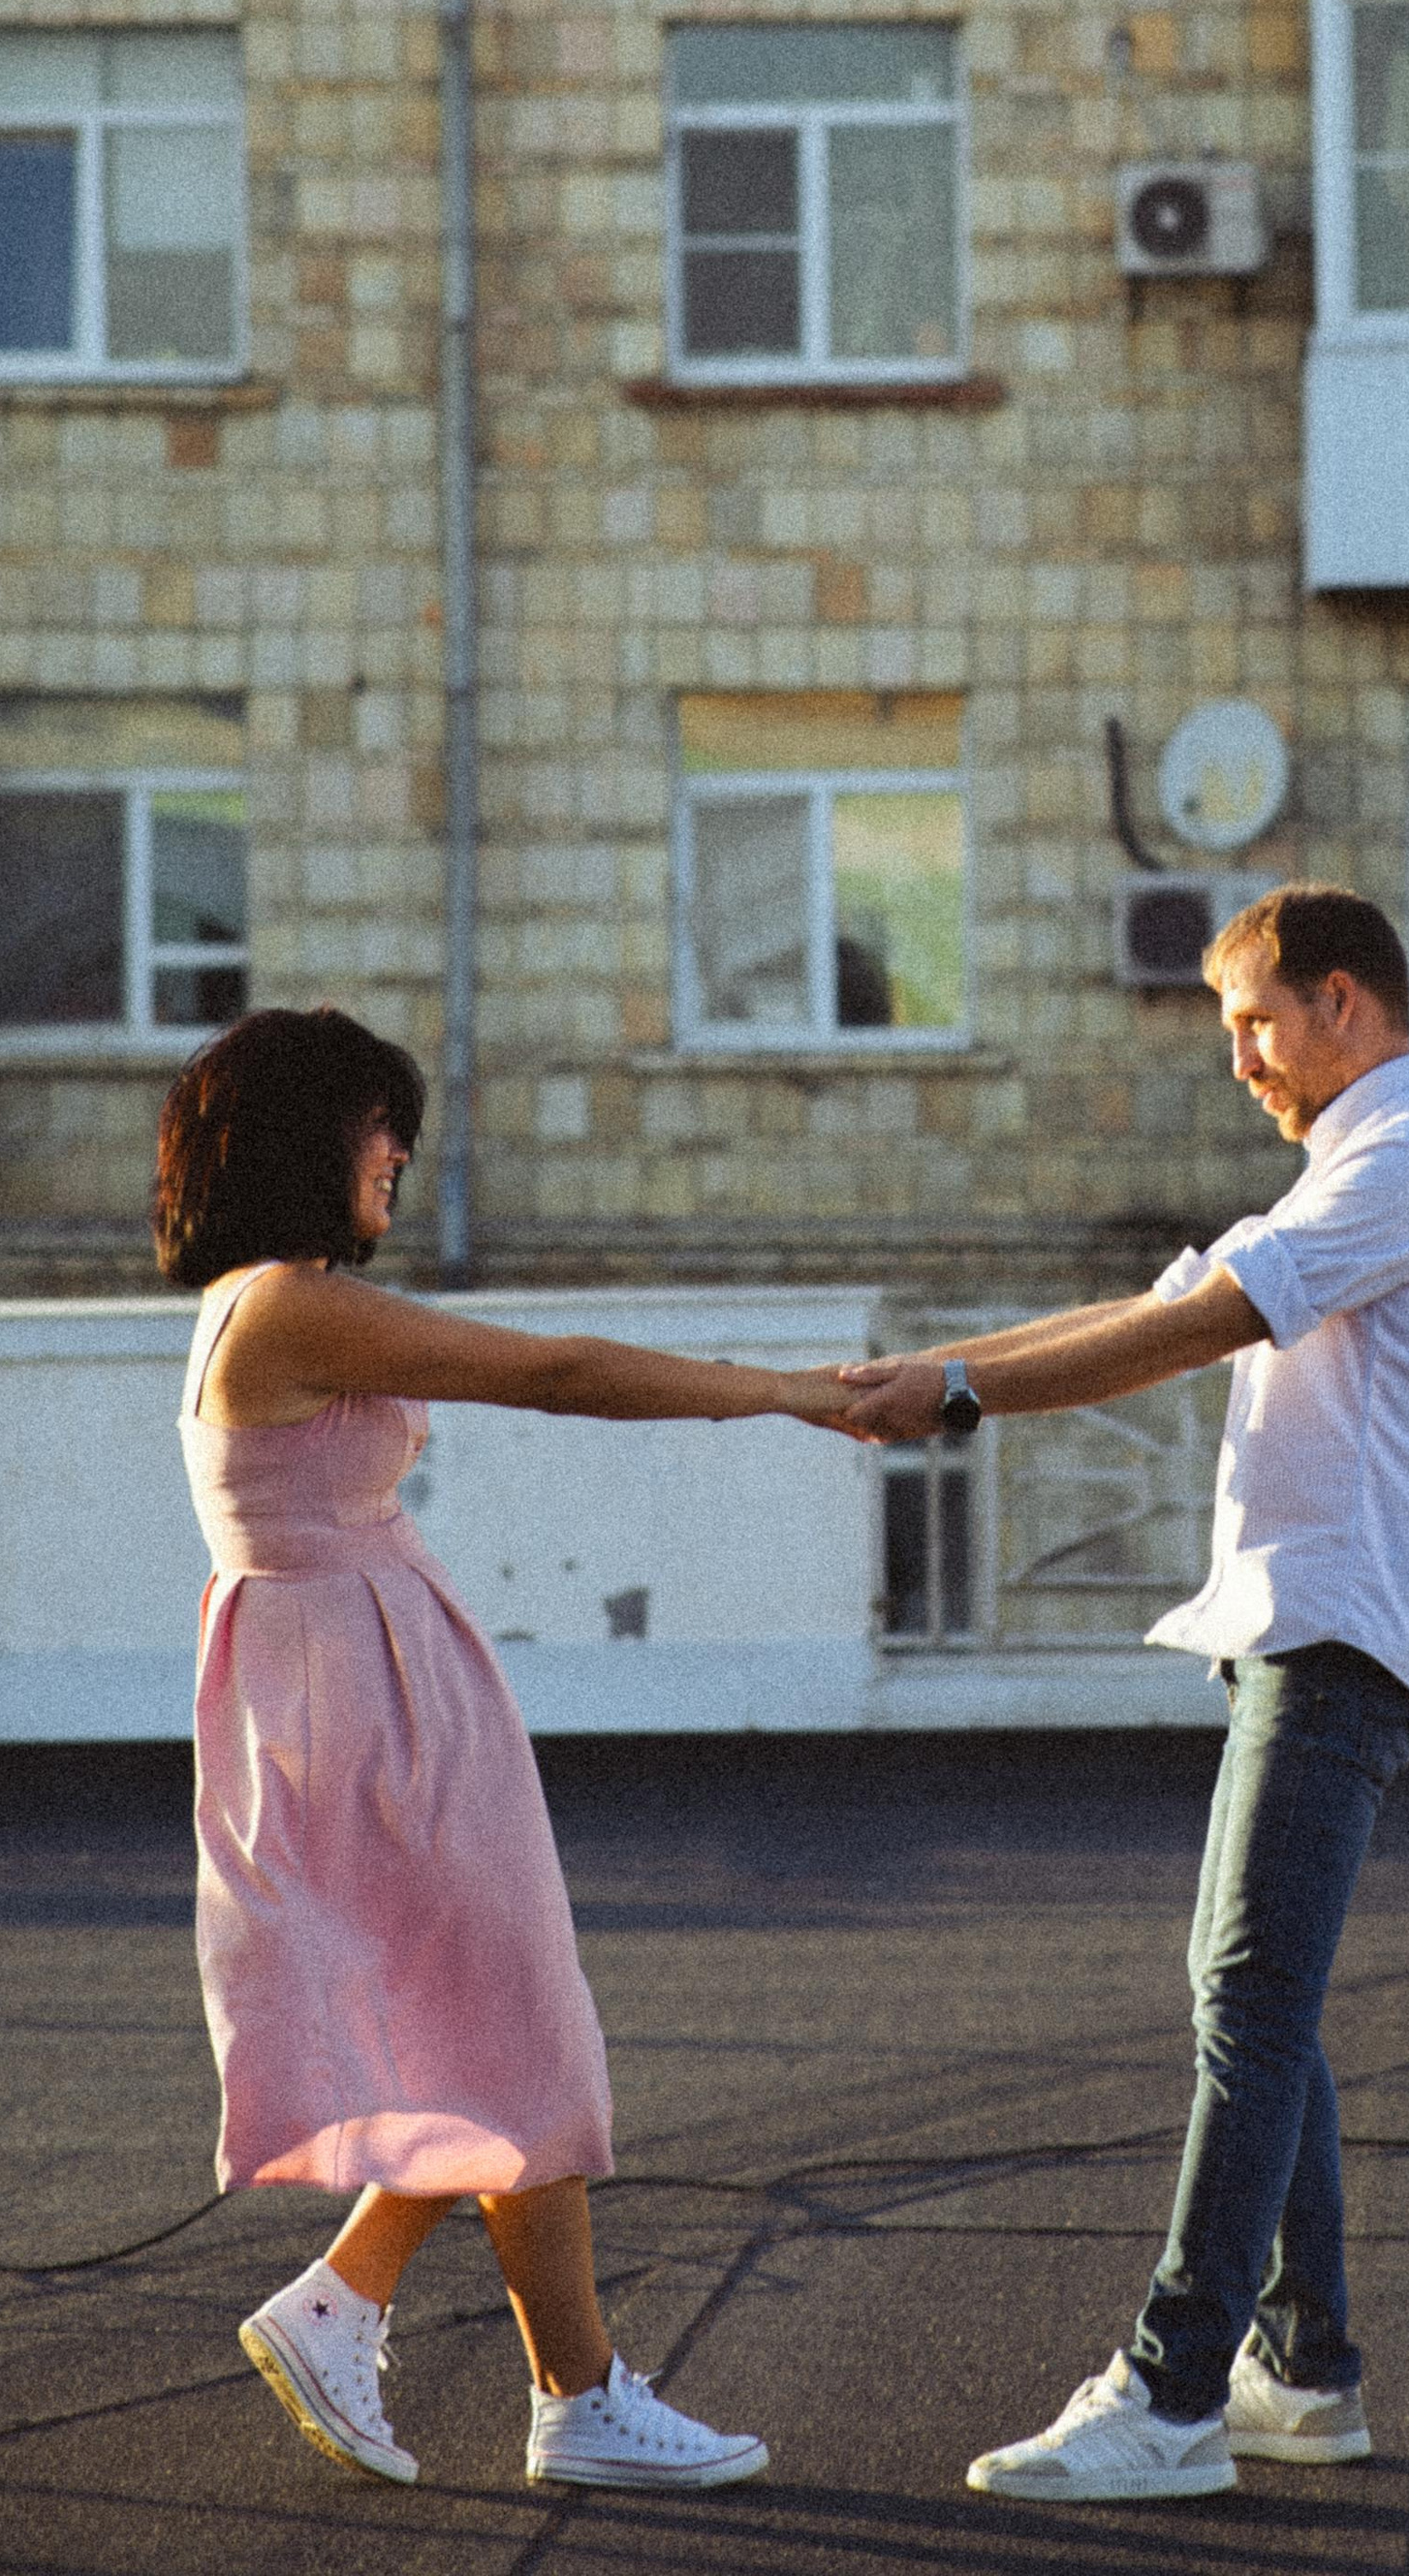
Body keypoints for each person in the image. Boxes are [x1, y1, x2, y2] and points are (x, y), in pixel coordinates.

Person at [838, 882, 1409, 2503]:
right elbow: (1157, 1310)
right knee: (1256, 1995)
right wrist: (936, 1371)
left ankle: (1172, 2391)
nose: (1240, 1060)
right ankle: (1305, 2369)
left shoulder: (1403, 1163)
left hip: (1344, 1639)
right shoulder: (1359, 1164)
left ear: (1344, 1001)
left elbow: (1186, 1335)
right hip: (1323, 1629)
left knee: (1247, 2001)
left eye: (1256, 1023)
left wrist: (956, 1392)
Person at [155, 1002, 855, 2496]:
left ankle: (375, 2315)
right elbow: (559, 1370)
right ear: (303, 1137)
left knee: (483, 2028)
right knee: (515, 2024)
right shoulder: (283, 1308)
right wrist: (791, 1394)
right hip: (371, 1706)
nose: (397, 1156)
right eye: (377, 1127)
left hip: (369, 1683)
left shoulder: (277, 1305)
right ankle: (562, 2390)